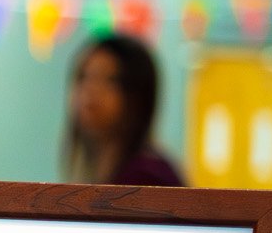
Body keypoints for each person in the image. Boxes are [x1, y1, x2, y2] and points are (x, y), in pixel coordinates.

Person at [64, 32, 183, 186]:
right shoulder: (104, 169)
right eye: (84, 77)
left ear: (137, 96)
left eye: (110, 80)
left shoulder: (147, 177)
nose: (91, 90)